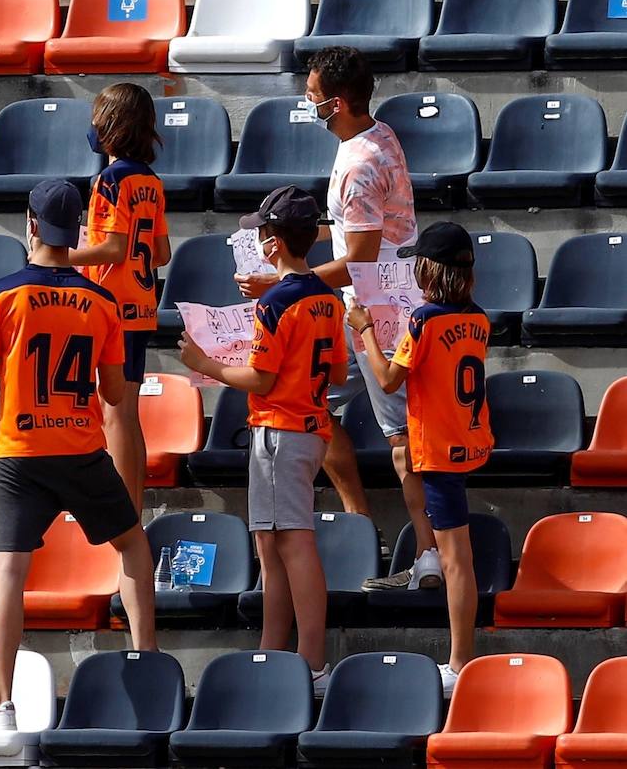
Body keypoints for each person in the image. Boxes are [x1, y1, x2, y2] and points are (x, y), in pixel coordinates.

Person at [0, 180, 157, 728]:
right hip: (79, 447)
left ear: (32, 224)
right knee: (133, 545)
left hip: (21, 451)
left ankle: (1, 699)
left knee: (10, 574)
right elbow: (115, 394)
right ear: (78, 234)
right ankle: (147, 659)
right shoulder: (101, 301)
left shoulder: (2, 296)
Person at [235, 46, 435, 591]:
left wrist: (283, 281)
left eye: (314, 99)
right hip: (373, 300)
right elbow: (356, 229)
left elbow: (362, 257)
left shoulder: (358, 163)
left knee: (400, 436)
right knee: (314, 404)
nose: (308, 105)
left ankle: (429, 556)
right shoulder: (374, 136)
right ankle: (360, 526)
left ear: (338, 103)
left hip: (380, 308)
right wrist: (295, 234)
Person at [181, 185, 347, 693]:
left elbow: (261, 380)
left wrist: (206, 364)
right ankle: (275, 653)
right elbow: (338, 372)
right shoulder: (326, 297)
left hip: (281, 430)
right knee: (271, 545)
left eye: (262, 235)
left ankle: (312, 661)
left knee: (292, 545)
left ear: (273, 244)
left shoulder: (276, 303)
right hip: (309, 428)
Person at [346, 222, 493, 696]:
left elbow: (389, 379)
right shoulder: (480, 318)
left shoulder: (425, 321)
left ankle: (460, 660)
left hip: (440, 450)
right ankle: (459, 651)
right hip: (465, 438)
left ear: (429, 271)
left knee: (457, 562)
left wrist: (366, 330)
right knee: (455, 556)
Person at [70, 83, 171, 512]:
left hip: (110, 306)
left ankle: (124, 510)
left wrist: (65, 254)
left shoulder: (110, 180)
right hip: (142, 304)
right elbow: (162, 252)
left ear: (110, 126)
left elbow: (112, 248)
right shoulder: (150, 180)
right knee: (126, 414)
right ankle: (132, 502)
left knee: (115, 414)